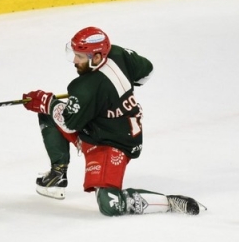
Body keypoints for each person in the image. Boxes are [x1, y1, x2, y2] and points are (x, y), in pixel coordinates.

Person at [22, 26, 203, 216]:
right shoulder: (117, 53)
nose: (75, 61)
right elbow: (146, 71)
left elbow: (69, 124)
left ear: (98, 57)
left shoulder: (85, 88)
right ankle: (57, 175)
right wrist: (118, 91)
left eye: (80, 57)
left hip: (113, 144)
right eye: (75, 54)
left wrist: (48, 102)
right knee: (47, 111)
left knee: (110, 204)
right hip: (100, 128)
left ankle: (168, 203)